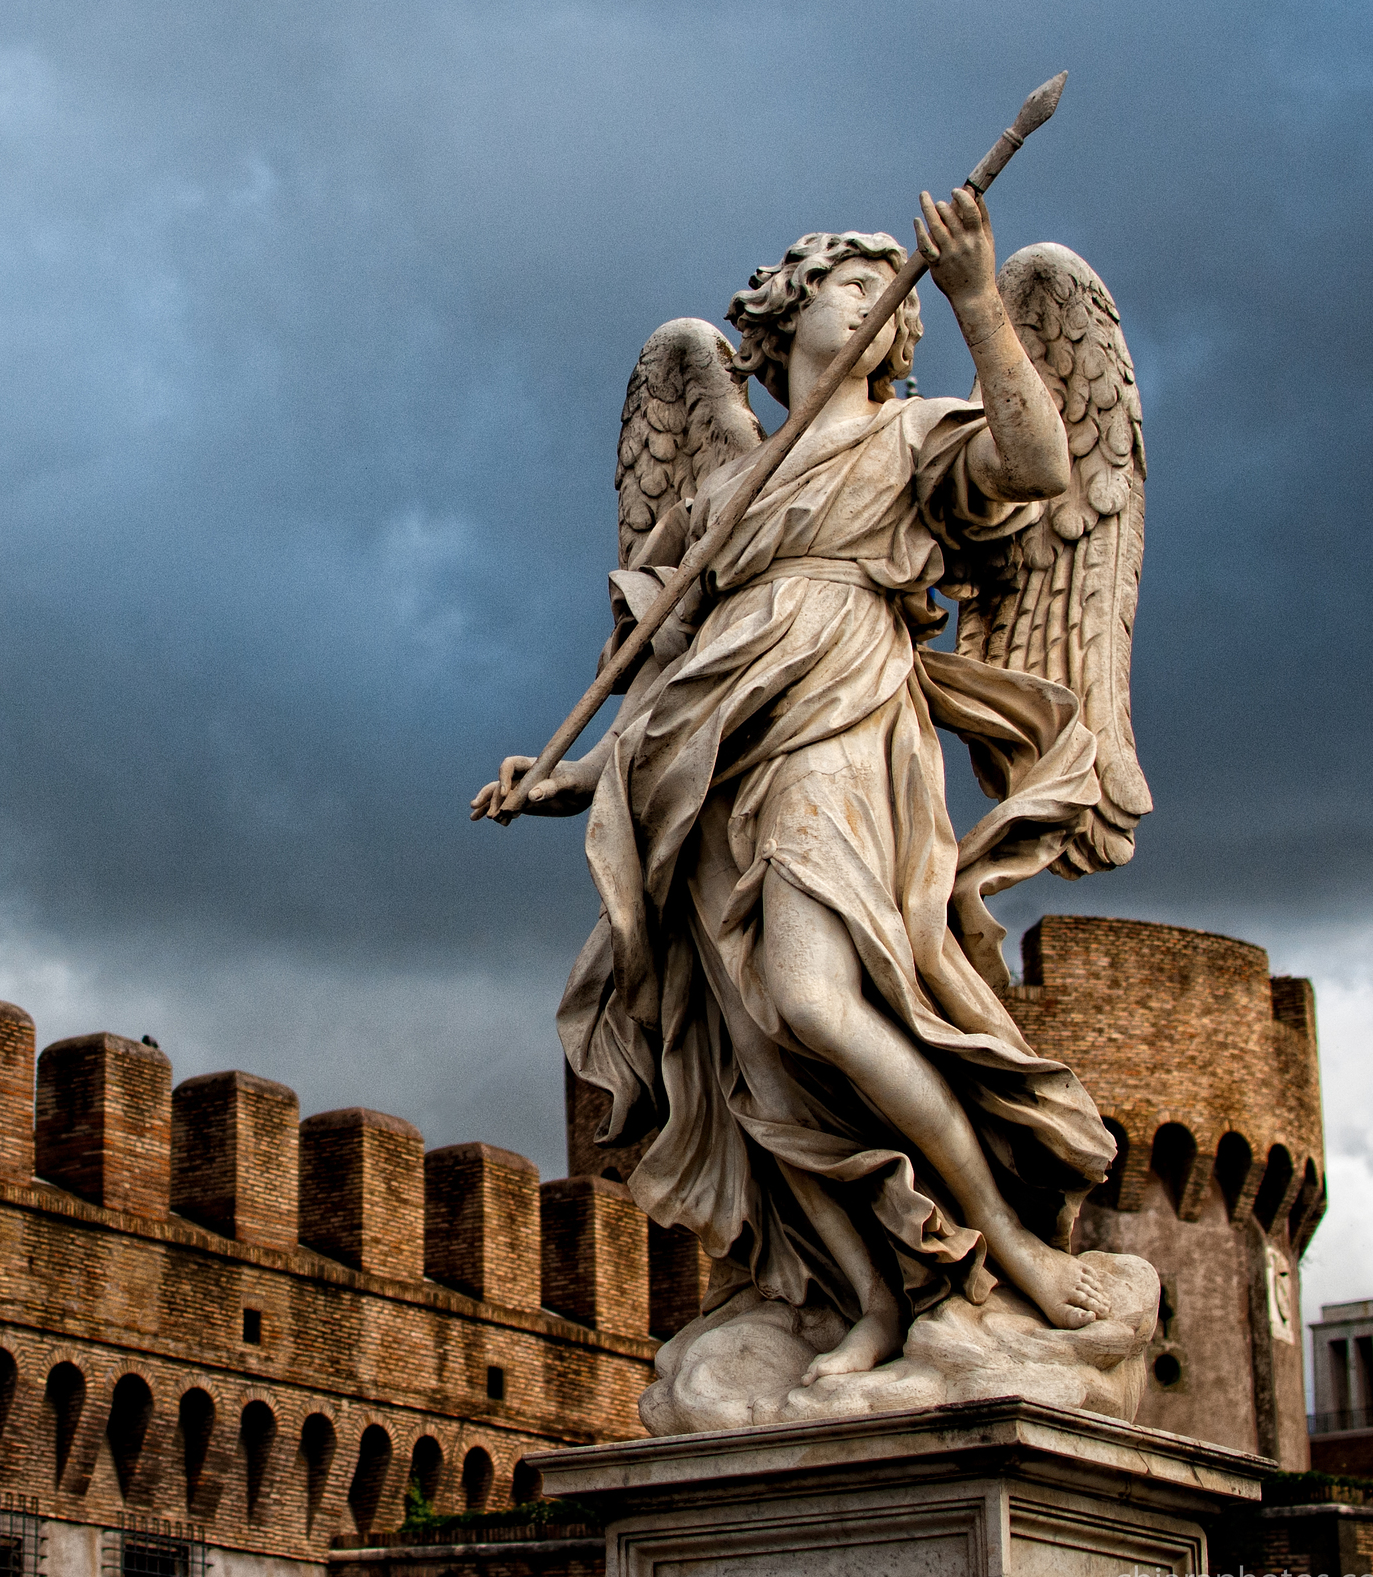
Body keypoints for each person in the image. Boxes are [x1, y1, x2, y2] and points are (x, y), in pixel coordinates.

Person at [472, 189, 1116, 1384]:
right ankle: (865, 1294)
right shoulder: (719, 497)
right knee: (756, 1047)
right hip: (709, 771)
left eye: (892, 295)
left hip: (841, 718)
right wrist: (570, 779)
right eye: (855, 284)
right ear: (789, 311)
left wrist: (978, 293)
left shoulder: (915, 437)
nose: (881, 305)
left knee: (817, 999)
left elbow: (1037, 462)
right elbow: (674, 693)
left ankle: (1009, 1249)